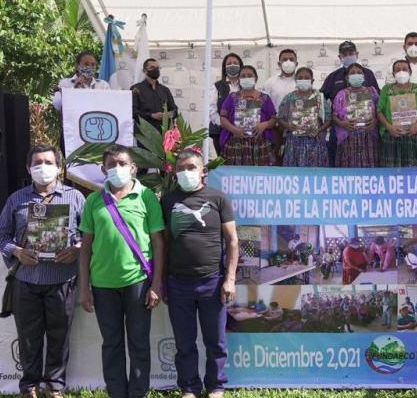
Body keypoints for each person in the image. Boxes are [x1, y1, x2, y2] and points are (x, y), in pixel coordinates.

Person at [0, 145, 85, 398]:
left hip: (62, 279)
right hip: (26, 281)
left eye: (48, 162)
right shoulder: (17, 199)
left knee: (60, 335)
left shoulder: (75, 198)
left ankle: (55, 386)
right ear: (28, 168)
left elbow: (89, 235)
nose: (42, 167)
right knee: (28, 337)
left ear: (58, 167)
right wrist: (17, 251)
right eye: (37, 162)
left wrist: (76, 249)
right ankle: (29, 386)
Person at [78, 144, 165, 398]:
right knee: (112, 343)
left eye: (123, 164)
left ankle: (137, 393)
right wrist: (85, 288)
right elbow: (85, 248)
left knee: (139, 343)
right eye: (112, 164)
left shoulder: (146, 196)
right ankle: (117, 393)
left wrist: (156, 284)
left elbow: (159, 243)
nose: (118, 168)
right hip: (103, 285)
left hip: (137, 282)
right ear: (102, 169)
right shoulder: (94, 201)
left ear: (133, 168)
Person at [161, 150, 239, 398]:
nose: (186, 172)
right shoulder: (168, 200)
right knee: (184, 343)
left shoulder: (218, 199)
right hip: (177, 283)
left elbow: (233, 241)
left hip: (213, 282)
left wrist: (229, 279)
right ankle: (189, 387)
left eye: (191, 167)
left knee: (215, 341)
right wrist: (162, 282)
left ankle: (216, 386)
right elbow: (162, 241)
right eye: (181, 168)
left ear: (204, 172)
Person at [321, 41, 381, 167]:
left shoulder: (368, 73)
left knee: (369, 163)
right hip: (342, 130)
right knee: (341, 162)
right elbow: (321, 101)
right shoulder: (333, 76)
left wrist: (376, 120)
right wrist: (336, 121)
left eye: (351, 53)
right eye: (345, 54)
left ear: (357, 53)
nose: (348, 56)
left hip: (368, 131)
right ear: (340, 57)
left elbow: (378, 102)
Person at [377, 59, 417, 167]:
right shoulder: (386, 89)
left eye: (404, 69)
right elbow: (379, 111)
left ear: (410, 72)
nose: (401, 72)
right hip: (392, 135)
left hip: (415, 133)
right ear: (393, 74)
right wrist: (389, 127)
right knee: (393, 170)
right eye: (397, 70)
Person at [219, 65, 277, 166]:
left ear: (256, 78)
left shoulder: (265, 98)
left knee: (259, 176)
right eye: (243, 76)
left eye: (250, 75)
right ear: (239, 79)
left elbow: (274, 119)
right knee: (235, 176)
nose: (246, 78)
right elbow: (223, 118)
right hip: (236, 143)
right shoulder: (232, 97)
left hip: (259, 145)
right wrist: (233, 129)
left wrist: (265, 125)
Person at [279, 67, 332, 167]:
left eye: (306, 78)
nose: (303, 80)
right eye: (300, 78)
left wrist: (319, 129)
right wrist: (288, 126)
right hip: (294, 142)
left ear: (312, 80)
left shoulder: (319, 97)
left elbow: (329, 119)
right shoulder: (289, 98)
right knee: (294, 173)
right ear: (296, 80)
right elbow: (280, 118)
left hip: (315, 141)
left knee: (315, 174)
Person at [332, 63, 380, 167]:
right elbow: (334, 115)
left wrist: (375, 121)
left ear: (363, 76)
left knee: (369, 170)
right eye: (352, 73)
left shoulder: (372, 91)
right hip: (349, 138)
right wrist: (342, 123)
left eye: (359, 72)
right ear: (347, 77)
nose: (356, 74)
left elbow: (380, 112)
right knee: (349, 170)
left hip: (369, 137)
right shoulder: (341, 94)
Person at [208, 53, 244, 154]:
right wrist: (227, 126)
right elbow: (212, 111)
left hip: (241, 132)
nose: (232, 65)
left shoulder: (246, 86)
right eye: (229, 63)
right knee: (224, 162)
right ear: (224, 68)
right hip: (220, 132)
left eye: (235, 63)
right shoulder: (217, 86)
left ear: (241, 66)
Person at [131, 58, 178, 131]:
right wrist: (152, 115)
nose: (155, 70)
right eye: (152, 67)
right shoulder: (136, 89)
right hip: (144, 134)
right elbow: (133, 112)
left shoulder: (165, 90)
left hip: (164, 133)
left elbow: (174, 110)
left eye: (157, 68)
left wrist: (168, 114)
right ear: (144, 71)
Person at [262, 49, 298, 114]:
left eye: (291, 59)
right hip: (276, 122)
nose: (288, 62)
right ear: (279, 64)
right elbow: (264, 105)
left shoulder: (302, 82)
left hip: (297, 122)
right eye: (284, 59)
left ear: (296, 64)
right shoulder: (270, 82)